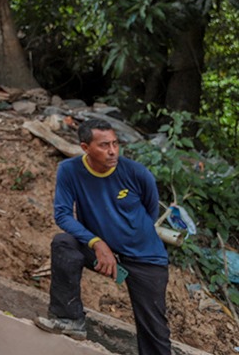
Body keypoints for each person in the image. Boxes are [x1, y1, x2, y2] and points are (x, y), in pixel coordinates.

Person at [36, 118, 171, 353]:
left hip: (146, 259)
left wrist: (127, 239)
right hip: (102, 251)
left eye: (115, 144)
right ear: (85, 148)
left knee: (155, 332)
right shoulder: (70, 171)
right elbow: (63, 215)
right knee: (64, 243)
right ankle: (69, 318)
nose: (112, 151)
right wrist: (97, 242)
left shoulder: (137, 174)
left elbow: (151, 212)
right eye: (104, 145)